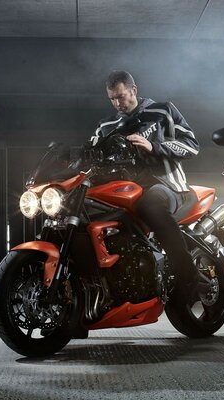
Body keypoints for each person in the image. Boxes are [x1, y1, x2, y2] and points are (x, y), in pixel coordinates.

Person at [88, 70, 202, 299]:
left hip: (167, 186)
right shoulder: (105, 126)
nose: (117, 103)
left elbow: (192, 145)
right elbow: (89, 156)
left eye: (121, 96)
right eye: (112, 98)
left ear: (134, 90)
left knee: (150, 205)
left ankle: (188, 276)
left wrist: (154, 147)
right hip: (125, 191)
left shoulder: (162, 111)